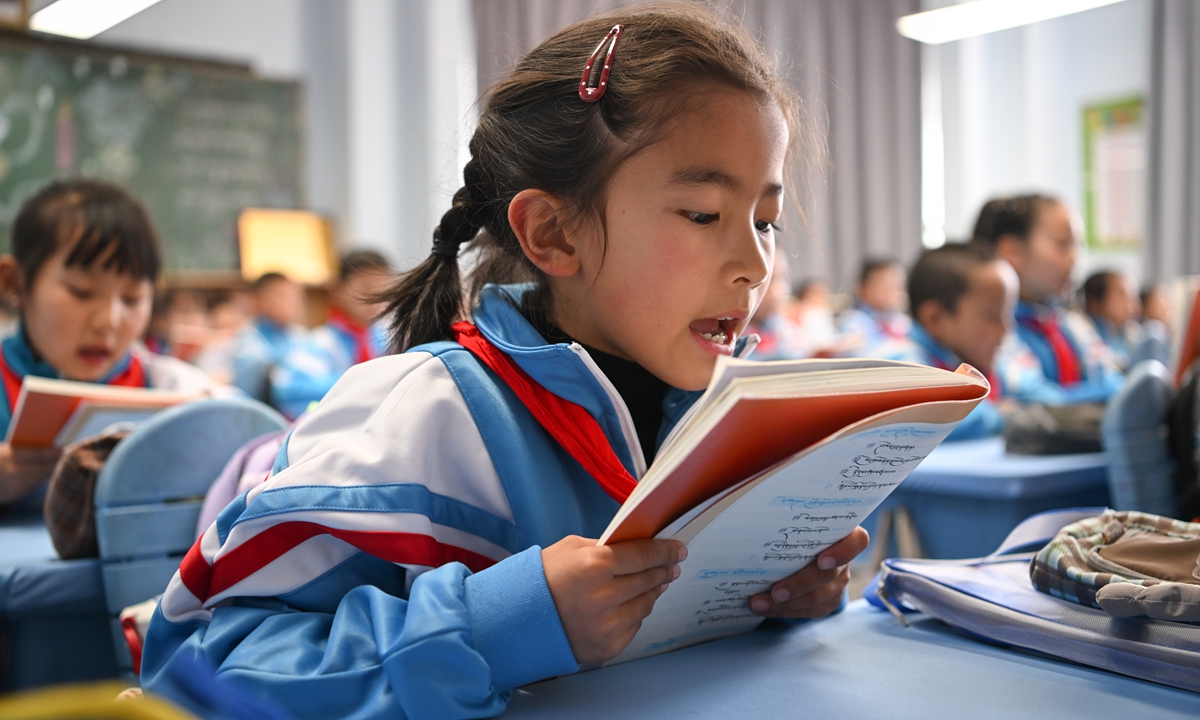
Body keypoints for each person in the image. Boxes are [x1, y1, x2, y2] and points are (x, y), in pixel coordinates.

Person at [141, 8, 867, 718]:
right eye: (704, 214)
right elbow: (200, 668)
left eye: (765, 221)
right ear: (552, 233)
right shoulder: (425, 419)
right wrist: (492, 629)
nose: (754, 265)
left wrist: (775, 597)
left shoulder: (725, 421)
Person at [0, 179, 221, 506]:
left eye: (132, 299)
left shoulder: (173, 387)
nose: (109, 322)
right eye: (81, 292)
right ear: (13, 283)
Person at [972, 194, 1122, 404]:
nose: (1075, 259)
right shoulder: (995, 327)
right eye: (1062, 244)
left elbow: (1110, 376)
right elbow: (1035, 401)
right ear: (1012, 252)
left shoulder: (1068, 323)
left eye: (1077, 246)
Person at [888, 244, 1012, 440]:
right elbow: (938, 417)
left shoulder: (988, 362)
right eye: (991, 316)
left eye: (1008, 314)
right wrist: (1003, 415)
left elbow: (1040, 395)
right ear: (935, 318)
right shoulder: (901, 363)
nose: (1006, 329)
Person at [269, 250, 393, 417]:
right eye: (365, 288)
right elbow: (287, 391)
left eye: (382, 290)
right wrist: (367, 383)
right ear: (338, 290)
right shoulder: (319, 343)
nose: (374, 299)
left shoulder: (390, 339)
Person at [228, 272, 305, 402]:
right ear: (258, 299)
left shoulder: (301, 336)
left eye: (294, 296)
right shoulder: (247, 339)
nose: (289, 302)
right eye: (281, 295)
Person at [838, 258, 911, 357]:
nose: (891, 291)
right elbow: (859, 355)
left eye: (896, 285)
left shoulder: (901, 321)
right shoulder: (854, 321)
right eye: (884, 285)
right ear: (863, 288)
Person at [1079, 270, 1140, 371]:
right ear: (1094, 302)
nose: (1132, 302)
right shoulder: (1080, 331)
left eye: (1132, 295)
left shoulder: (1126, 331)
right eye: (1122, 294)